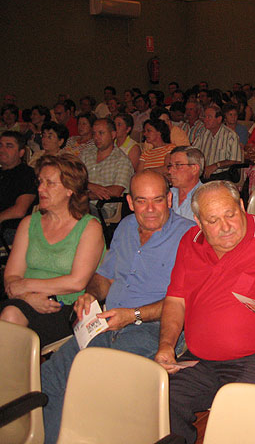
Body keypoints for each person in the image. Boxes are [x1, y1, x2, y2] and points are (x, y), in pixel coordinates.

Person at [155, 181, 255, 444]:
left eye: (230, 214)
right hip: (200, 359)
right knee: (162, 399)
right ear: (198, 221)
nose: (226, 227)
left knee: (240, 419)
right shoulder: (189, 243)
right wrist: (166, 345)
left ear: (242, 206)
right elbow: (175, 300)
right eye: (213, 220)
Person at [40, 170, 194, 443]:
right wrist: (90, 294)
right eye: (142, 201)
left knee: (93, 381)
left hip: (152, 328)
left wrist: (131, 315)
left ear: (169, 199)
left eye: (157, 200)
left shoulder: (189, 236)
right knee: (50, 376)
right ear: (130, 202)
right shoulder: (124, 227)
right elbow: (105, 277)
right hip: (107, 322)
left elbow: (184, 301)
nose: (150, 209)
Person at [1, 154, 104, 347]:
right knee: (11, 315)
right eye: (40, 181)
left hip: (65, 307)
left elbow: (76, 282)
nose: (40, 189)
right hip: (24, 301)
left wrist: (27, 285)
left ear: (70, 190)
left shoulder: (89, 227)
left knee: (10, 317)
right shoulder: (29, 224)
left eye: (50, 183)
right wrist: (27, 297)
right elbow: (12, 277)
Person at [81, 118, 134, 218]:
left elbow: (116, 190)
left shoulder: (121, 160)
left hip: (102, 209)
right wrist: (90, 186)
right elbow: (73, 177)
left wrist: (85, 196)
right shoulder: (86, 153)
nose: (96, 137)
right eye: (94, 133)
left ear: (113, 135)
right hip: (80, 204)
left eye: (101, 133)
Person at [0, 131, 37, 233]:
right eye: (0, 145)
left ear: (21, 152)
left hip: (11, 230)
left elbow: (19, 210)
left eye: (9, 146)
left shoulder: (26, 174)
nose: (2, 150)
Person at [192, 106, 243, 181]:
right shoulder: (203, 133)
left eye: (209, 117)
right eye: (205, 117)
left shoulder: (230, 135)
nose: (205, 120)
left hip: (223, 175)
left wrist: (216, 165)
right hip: (204, 173)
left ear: (219, 119)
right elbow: (193, 151)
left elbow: (236, 160)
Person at [167, 146, 204, 222]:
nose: (170, 171)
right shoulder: (166, 194)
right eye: (170, 166)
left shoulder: (206, 197)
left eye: (178, 165)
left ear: (194, 169)